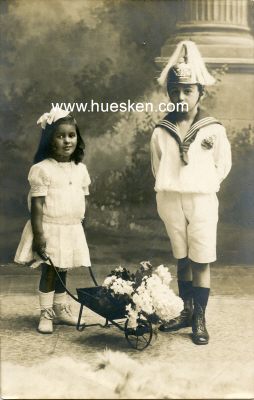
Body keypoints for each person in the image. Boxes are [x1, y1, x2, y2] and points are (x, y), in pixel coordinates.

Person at [150, 41, 232, 345]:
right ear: (169, 94)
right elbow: (157, 166)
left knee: (201, 258)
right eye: (175, 91)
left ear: (201, 92)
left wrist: (201, 182)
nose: (181, 97)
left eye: (188, 90)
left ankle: (200, 317)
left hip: (201, 199)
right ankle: (185, 310)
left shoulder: (213, 129)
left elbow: (222, 165)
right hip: (171, 198)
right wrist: (175, 185)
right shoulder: (161, 130)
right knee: (181, 256)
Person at [14, 107, 91, 334]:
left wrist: (81, 227)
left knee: (63, 269)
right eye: (60, 136)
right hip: (50, 227)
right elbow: (37, 205)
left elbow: (83, 201)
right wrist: (39, 235)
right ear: (49, 140)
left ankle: (60, 308)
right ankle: (45, 313)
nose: (67, 141)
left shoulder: (80, 169)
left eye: (71, 135)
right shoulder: (42, 169)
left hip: (70, 227)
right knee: (49, 271)